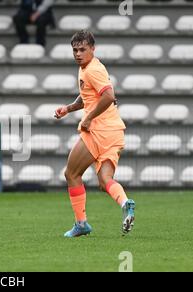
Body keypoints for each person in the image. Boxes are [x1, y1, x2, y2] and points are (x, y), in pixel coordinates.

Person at [54, 30, 135, 238]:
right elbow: (87, 97)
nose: (78, 54)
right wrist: (68, 109)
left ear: (93, 49)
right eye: (75, 50)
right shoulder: (89, 68)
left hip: (99, 129)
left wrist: (88, 119)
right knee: (105, 179)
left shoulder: (92, 70)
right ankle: (126, 203)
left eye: (82, 49)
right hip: (115, 131)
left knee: (71, 174)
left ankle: (81, 224)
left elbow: (109, 95)